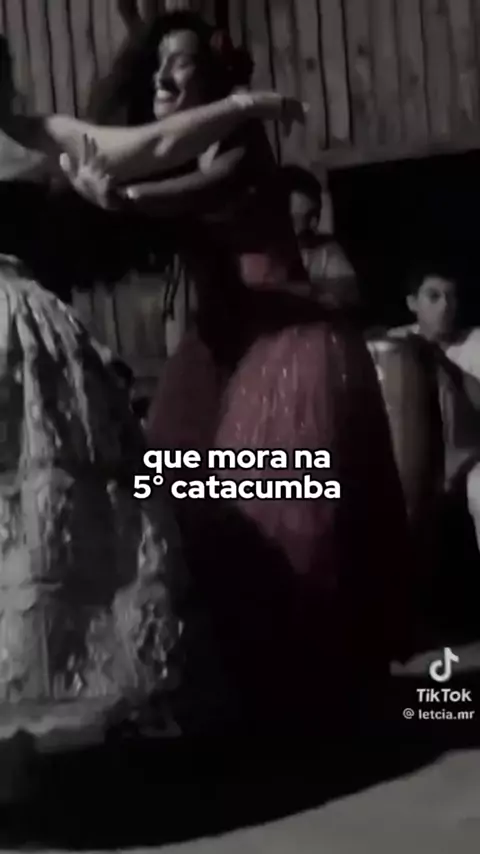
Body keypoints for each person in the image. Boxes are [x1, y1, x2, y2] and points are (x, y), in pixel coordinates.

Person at [59, 11, 412, 731]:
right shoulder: (169, 147)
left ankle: (306, 682)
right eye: (158, 62)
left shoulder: (240, 139)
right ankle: (230, 673)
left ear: (214, 76)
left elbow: (198, 193)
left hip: (281, 332)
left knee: (277, 498)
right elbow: (136, 166)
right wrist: (97, 184)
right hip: (218, 339)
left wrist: (122, 196)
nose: (164, 76)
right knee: (175, 486)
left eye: (182, 61)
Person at [0, 61, 300, 779]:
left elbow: (152, 146)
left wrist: (238, 107)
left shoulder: (34, 133)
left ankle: (24, 756)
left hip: (19, 336)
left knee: (40, 532)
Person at [388, 264, 480, 555]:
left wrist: (441, 363)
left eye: (451, 296)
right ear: (412, 303)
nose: (445, 306)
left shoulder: (475, 342)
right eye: (434, 296)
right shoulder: (395, 342)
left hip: (470, 454)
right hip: (412, 458)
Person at [282, 164, 360, 312]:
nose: (314, 223)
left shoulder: (327, 255)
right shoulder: (256, 253)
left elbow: (346, 302)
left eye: (316, 214)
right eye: (306, 216)